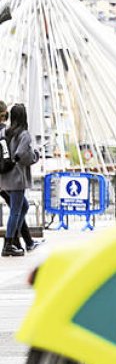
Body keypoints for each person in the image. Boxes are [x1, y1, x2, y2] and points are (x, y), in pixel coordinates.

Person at [1, 104, 39, 257]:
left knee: (23, 207)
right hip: (17, 178)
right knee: (16, 211)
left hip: (4, 176)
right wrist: (36, 154)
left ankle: (14, 238)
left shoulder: (4, 132)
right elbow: (23, 155)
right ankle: (9, 243)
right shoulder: (24, 134)